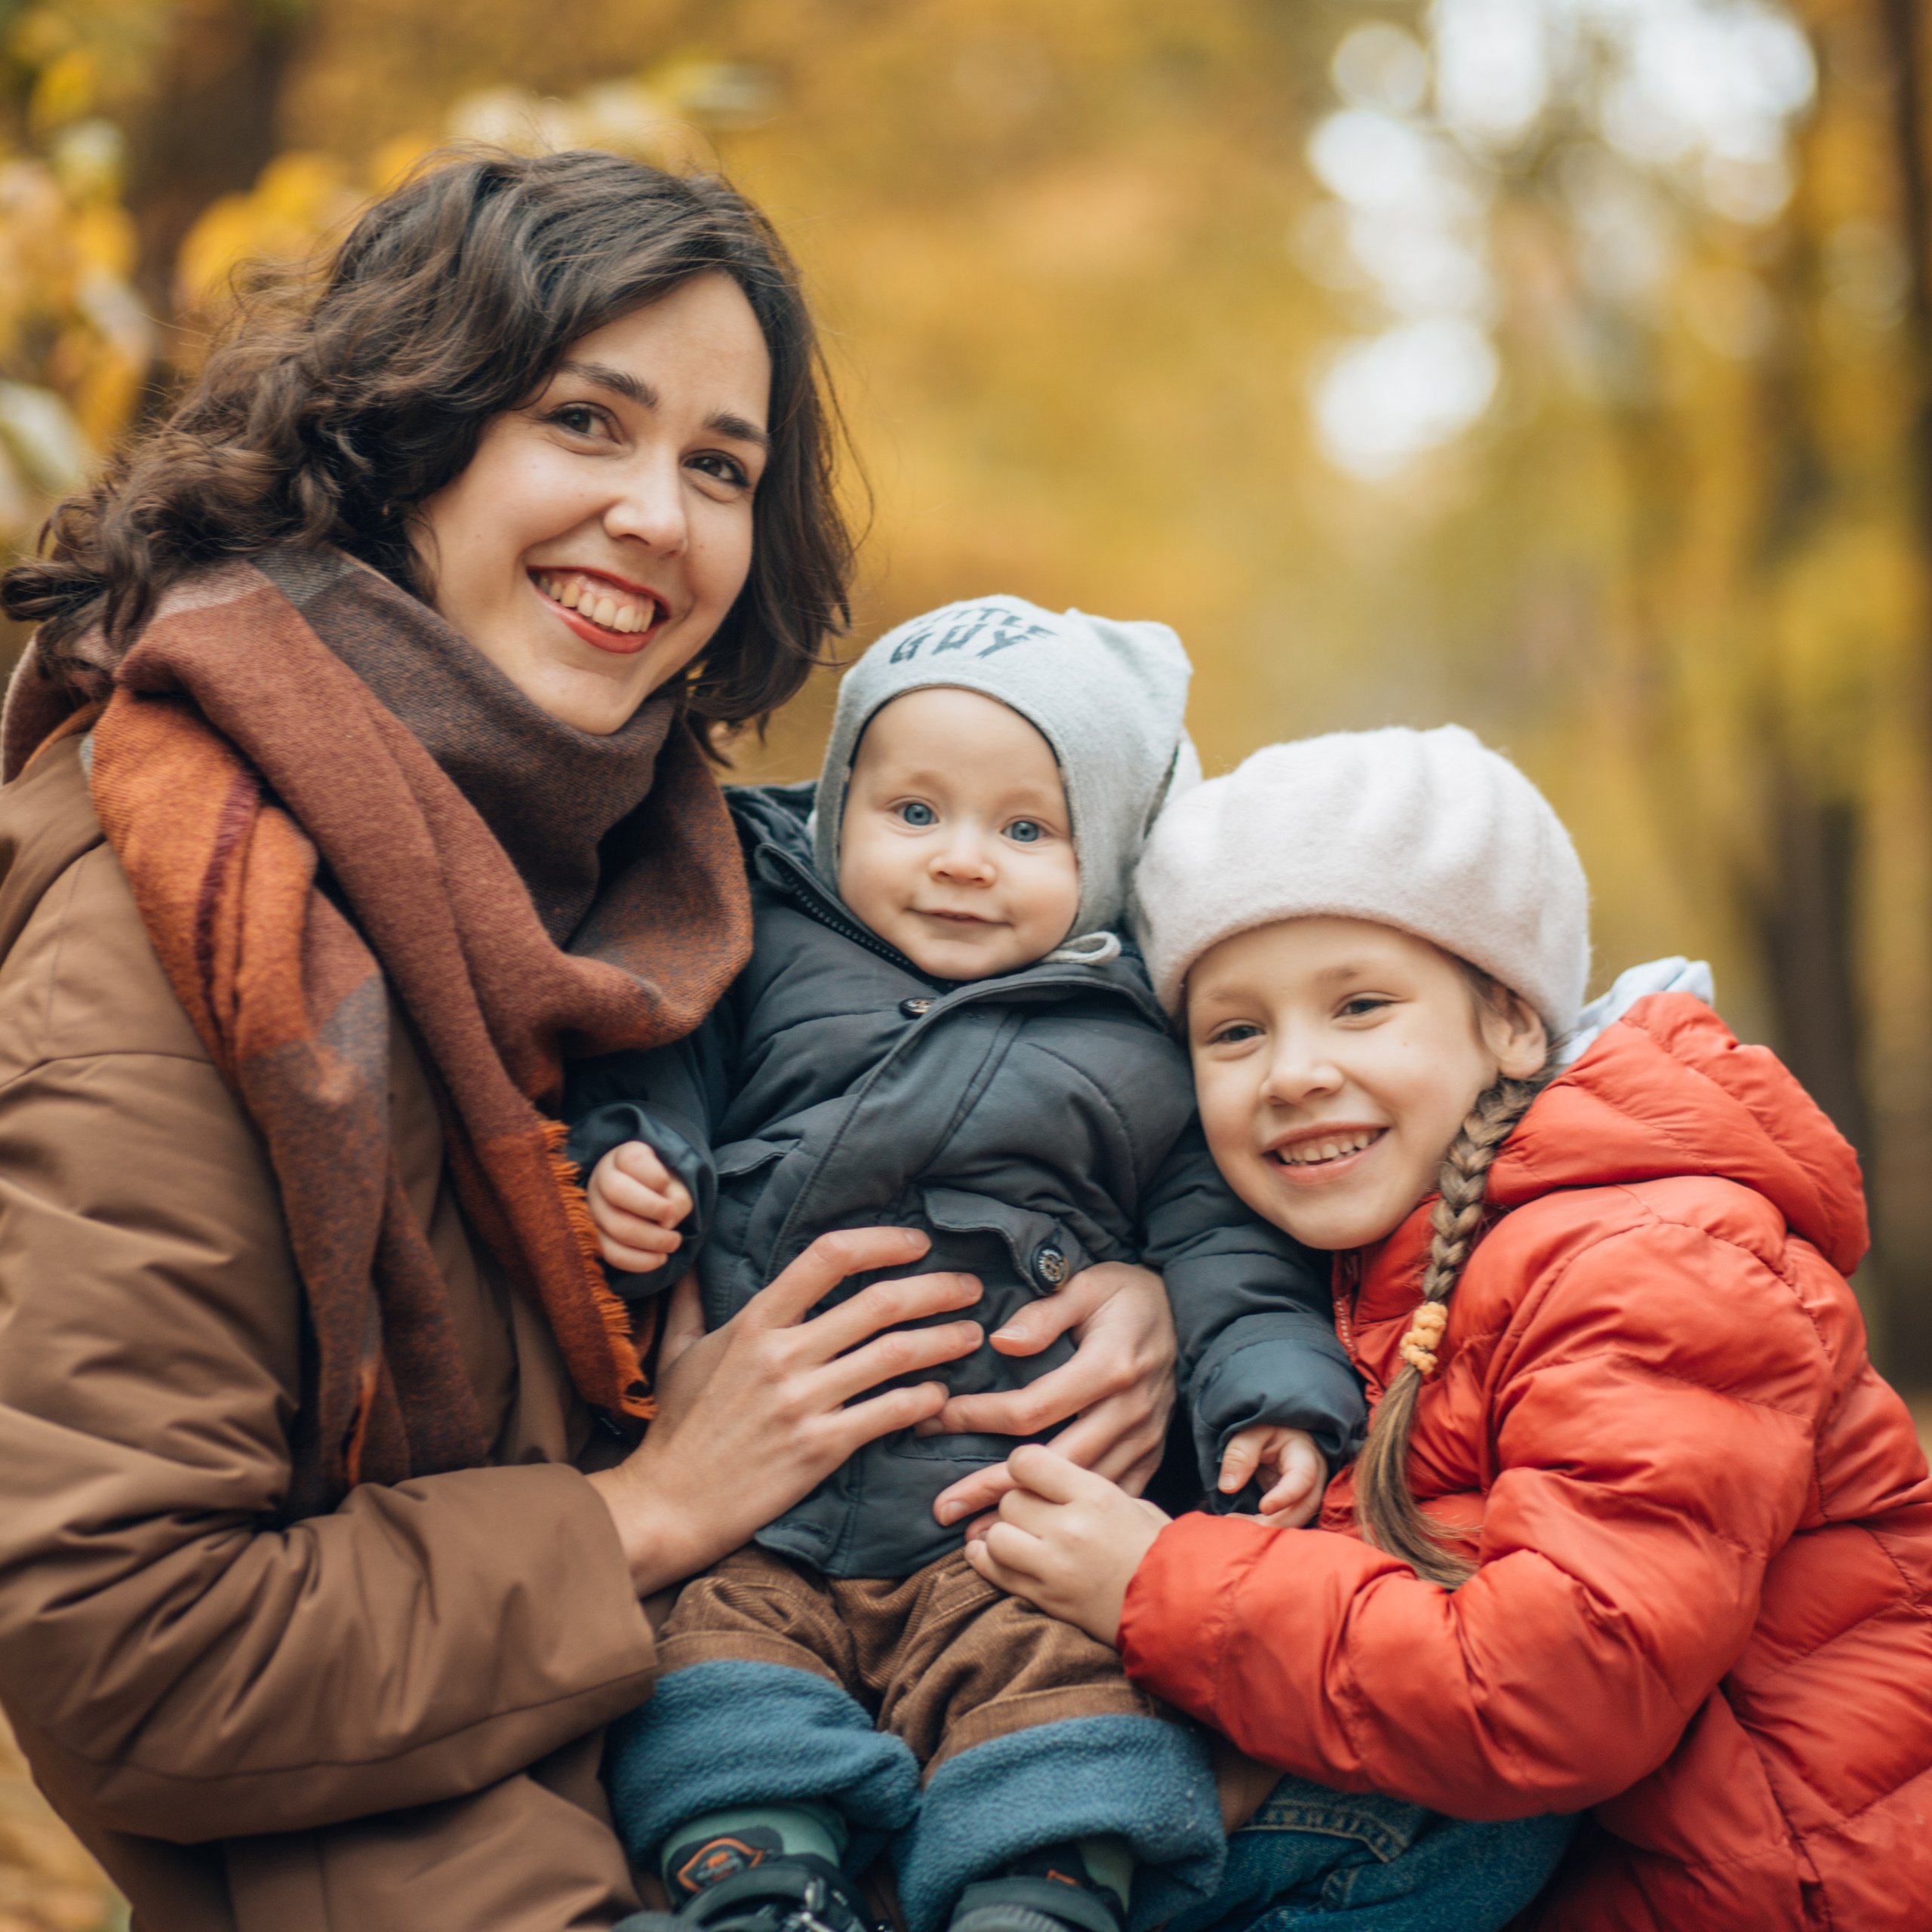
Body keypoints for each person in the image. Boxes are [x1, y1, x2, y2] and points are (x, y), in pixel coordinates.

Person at [0, 151, 1178, 1932]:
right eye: (585, 421)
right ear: (410, 436)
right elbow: (132, 1651)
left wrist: (1118, 1281)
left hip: (782, 1758)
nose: (660, 515)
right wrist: (644, 1510)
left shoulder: (665, 879)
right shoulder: (169, 918)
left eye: (720, 464)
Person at [969, 723, 1932, 1931]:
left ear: (1514, 1025)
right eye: (1236, 1031)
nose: (1294, 1072)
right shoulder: (1361, 1260)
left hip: (1783, 1891)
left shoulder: (1649, 1257)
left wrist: (1156, 1584)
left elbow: (1562, 1687)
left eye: (1361, 1005)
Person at [567, 598, 1367, 1932]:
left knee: (1072, 1686)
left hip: (999, 1510)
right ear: (837, 811)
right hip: (764, 1501)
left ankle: (1038, 1895)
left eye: (1025, 831)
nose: (962, 864)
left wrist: (1274, 1395)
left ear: (1104, 861)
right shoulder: (764, 945)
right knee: (709, 1666)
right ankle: (761, 1884)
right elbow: (658, 1059)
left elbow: (1222, 1242)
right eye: (915, 813)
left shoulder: (1134, 1044)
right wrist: (636, 1160)